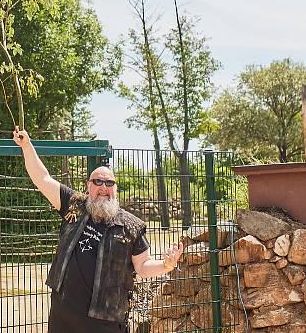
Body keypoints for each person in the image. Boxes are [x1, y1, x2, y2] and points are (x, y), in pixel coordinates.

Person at [13, 129, 183, 332]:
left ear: (115, 189)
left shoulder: (131, 227)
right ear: (88, 187)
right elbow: (42, 178)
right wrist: (27, 146)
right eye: (98, 181)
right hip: (63, 314)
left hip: (105, 320)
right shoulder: (74, 204)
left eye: (109, 182)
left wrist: (166, 265)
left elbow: (143, 266)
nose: (104, 186)